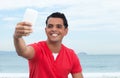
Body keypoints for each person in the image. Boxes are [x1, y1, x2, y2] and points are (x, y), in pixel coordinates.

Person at [13, 12, 83, 78]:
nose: (54, 29)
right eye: (50, 26)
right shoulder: (38, 49)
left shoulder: (71, 55)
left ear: (65, 31)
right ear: (46, 30)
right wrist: (17, 37)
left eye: (58, 26)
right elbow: (23, 51)